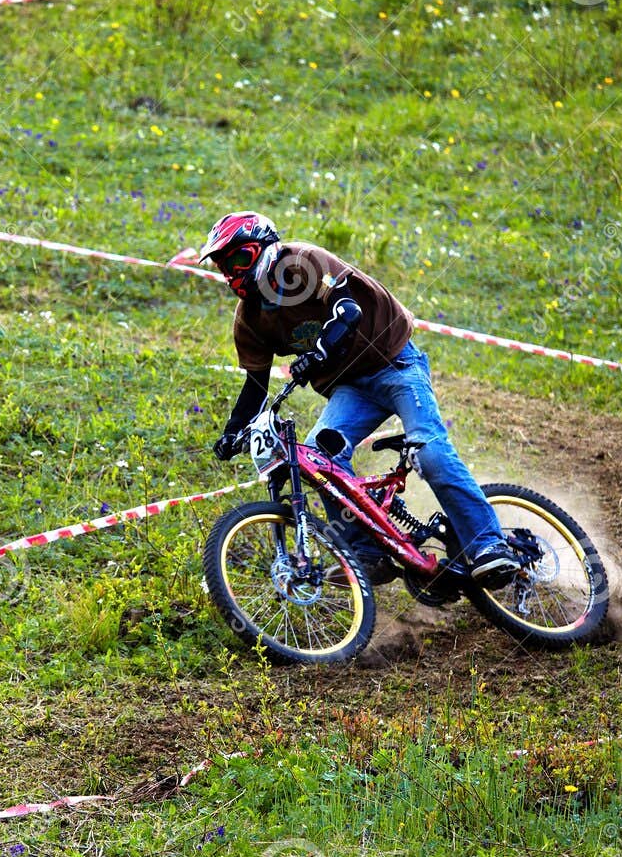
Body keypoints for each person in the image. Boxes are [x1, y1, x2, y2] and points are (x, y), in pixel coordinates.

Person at [201, 211, 519, 589]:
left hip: (395, 364)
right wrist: (232, 432)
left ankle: (488, 544)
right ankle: (366, 553)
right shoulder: (250, 319)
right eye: (225, 267)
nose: (233, 273)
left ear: (265, 247)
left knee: (430, 452)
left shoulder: (301, 262)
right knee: (320, 458)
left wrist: (320, 351)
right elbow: (256, 384)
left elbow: (346, 310)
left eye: (240, 259)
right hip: (351, 389)